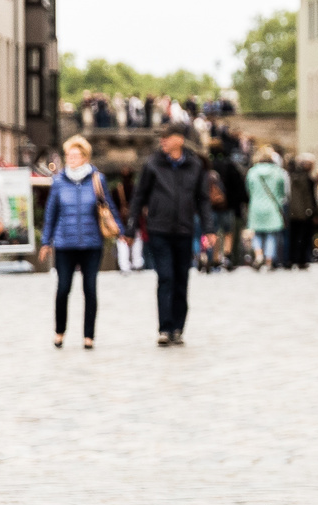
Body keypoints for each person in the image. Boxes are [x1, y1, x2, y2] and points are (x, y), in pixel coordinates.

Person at [128, 126, 213, 347]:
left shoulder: (195, 165)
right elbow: (139, 197)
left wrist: (209, 228)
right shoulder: (152, 164)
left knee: (181, 279)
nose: (162, 141)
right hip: (159, 229)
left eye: (167, 137)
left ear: (180, 139)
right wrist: (131, 227)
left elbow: (203, 199)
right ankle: (165, 328)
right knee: (165, 276)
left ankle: (178, 327)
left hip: (184, 230)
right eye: (162, 138)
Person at [41, 135, 123, 350]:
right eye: (68, 155)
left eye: (76, 155)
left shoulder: (97, 180)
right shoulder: (58, 181)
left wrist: (121, 231)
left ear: (85, 157)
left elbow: (109, 206)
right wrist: (45, 241)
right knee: (63, 288)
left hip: (91, 243)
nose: (71, 159)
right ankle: (59, 332)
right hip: (64, 243)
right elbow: (51, 213)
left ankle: (89, 336)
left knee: (90, 289)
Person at [245, 147, 288, 269]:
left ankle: (259, 256)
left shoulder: (252, 172)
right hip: (272, 206)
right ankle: (269, 261)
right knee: (271, 235)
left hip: (256, 206)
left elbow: (249, 189)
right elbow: (282, 192)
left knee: (257, 233)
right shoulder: (277, 172)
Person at [287, 155, 317, 268]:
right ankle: (301, 260)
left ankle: (291, 259)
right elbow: (309, 197)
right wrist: (313, 212)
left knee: (293, 237)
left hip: (292, 211)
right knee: (303, 237)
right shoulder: (306, 178)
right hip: (305, 212)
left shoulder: (290, 176)